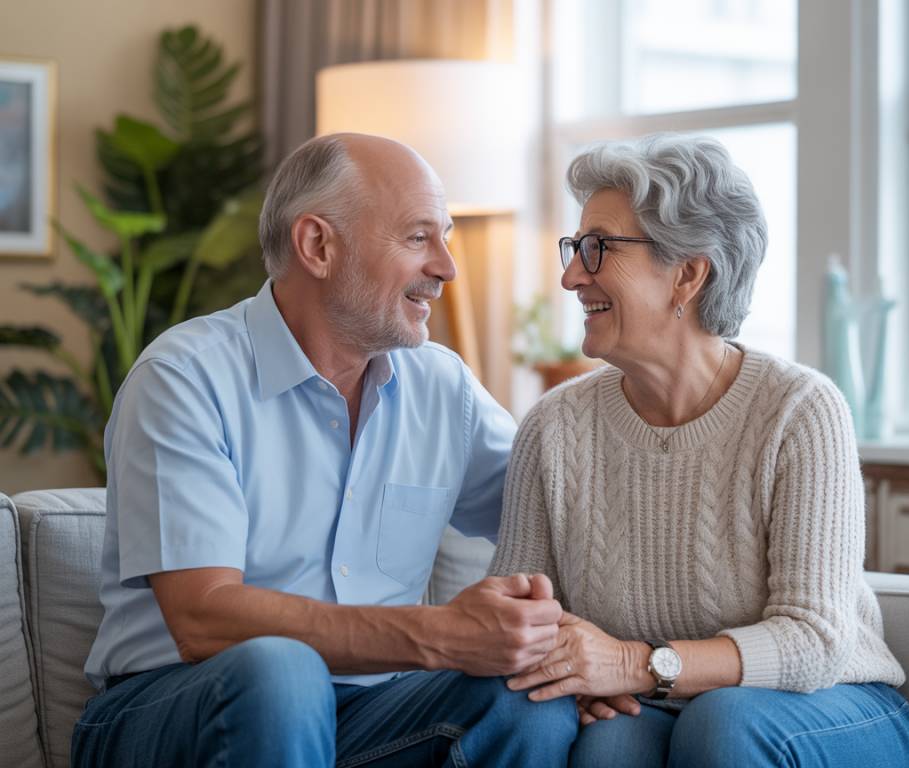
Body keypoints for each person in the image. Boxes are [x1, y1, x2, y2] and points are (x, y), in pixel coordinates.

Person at [72, 133, 577, 768]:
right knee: (281, 674)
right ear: (318, 245)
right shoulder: (185, 377)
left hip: (372, 711)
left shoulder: (444, 389)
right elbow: (203, 619)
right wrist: (441, 636)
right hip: (173, 706)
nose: (447, 266)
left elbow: (566, 521)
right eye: (419, 237)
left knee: (528, 697)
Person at [489, 133, 909, 767]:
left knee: (723, 725)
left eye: (597, 248)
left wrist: (635, 663)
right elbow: (519, 613)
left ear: (688, 273)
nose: (571, 275)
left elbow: (815, 642)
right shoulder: (553, 428)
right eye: (575, 248)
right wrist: (573, 677)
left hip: (830, 701)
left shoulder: (799, 410)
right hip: (658, 704)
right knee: (609, 750)